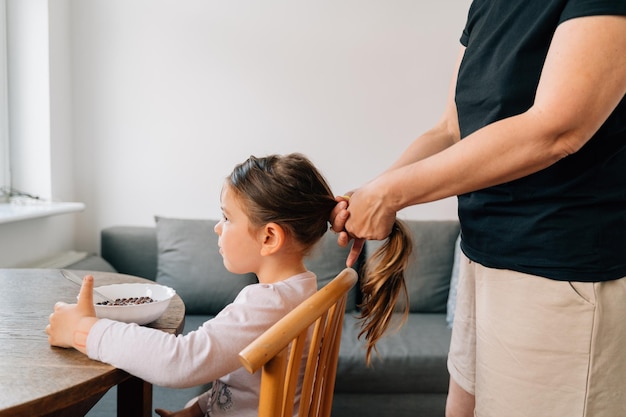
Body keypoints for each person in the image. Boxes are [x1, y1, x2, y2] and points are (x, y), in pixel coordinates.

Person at [331, 2, 626, 417]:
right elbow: (450, 129)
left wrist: (391, 195)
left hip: (557, 274)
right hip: (479, 258)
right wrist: (373, 191)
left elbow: (558, 129)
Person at [46, 153, 412, 417]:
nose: (217, 227)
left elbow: (180, 362)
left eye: (226, 217)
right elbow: (241, 385)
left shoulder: (267, 304)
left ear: (269, 238)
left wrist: (84, 329)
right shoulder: (301, 291)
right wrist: (198, 408)